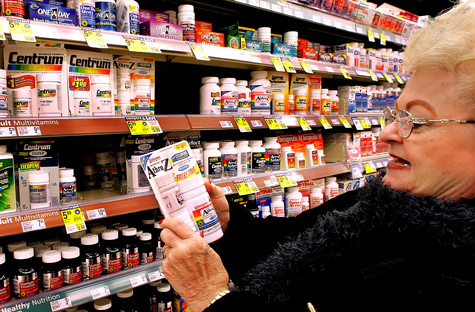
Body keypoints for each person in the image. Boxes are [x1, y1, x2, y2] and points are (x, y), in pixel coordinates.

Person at [160, 1, 475, 311]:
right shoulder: (384, 202)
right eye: (395, 115)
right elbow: (292, 243)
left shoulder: (451, 272)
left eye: (416, 120)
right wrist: (230, 225)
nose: (386, 134)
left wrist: (212, 297)